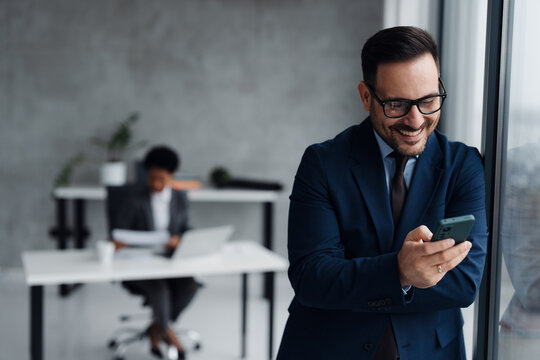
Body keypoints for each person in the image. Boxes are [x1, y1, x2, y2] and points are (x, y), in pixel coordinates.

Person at [276, 26, 488, 360]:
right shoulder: (322, 162)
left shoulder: (464, 165)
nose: (416, 120)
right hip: (327, 347)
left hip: (431, 351)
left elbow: (464, 282)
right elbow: (311, 277)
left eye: (429, 100)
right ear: (365, 96)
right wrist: (400, 272)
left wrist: (356, 277)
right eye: (398, 104)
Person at [112, 146, 199, 360]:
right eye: (151, 178)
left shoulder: (180, 198)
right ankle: (168, 334)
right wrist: (121, 242)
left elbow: (186, 227)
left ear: (171, 176)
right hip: (139, 264)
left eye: (161, 178)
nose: (155, 183)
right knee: (159, 289)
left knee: (190, 286)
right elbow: (118, 232)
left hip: (169, 261)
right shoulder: (134, 198)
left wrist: (179, 239)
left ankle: (156, 328)